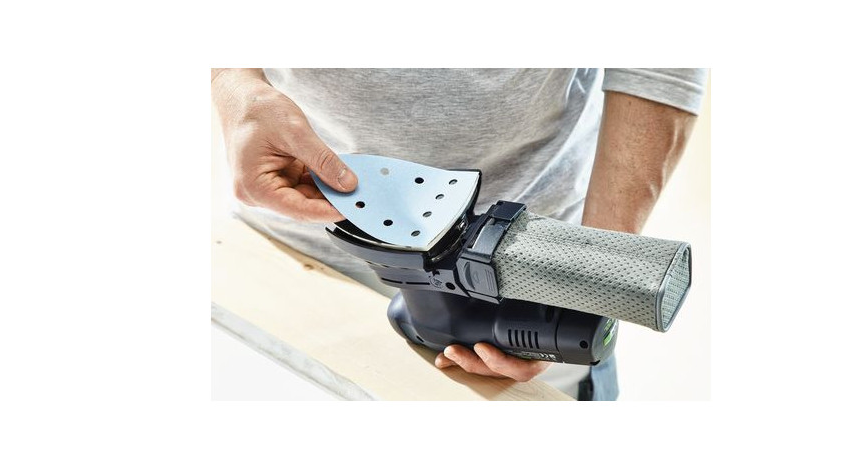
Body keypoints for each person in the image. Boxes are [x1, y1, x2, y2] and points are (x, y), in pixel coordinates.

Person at [211, 68, 706, 399]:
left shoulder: (567, 278)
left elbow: (659, 69)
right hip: (288, 253)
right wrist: (236, 86)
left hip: (538, 270)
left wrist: (593, 274)